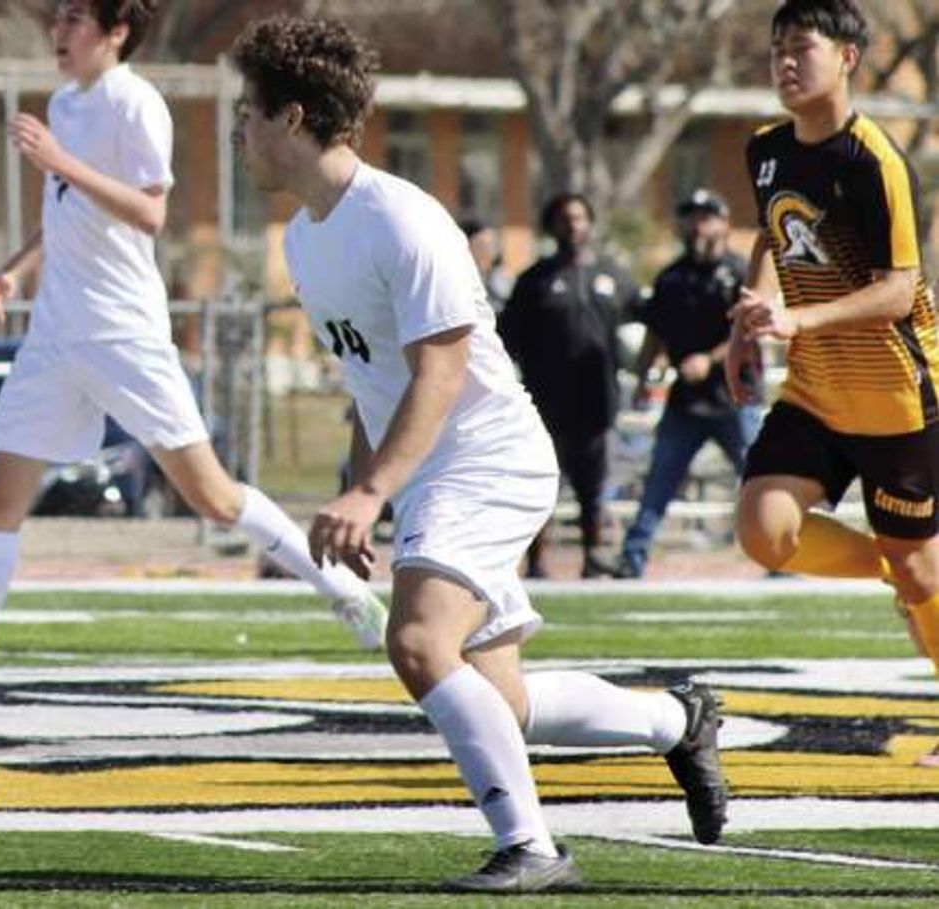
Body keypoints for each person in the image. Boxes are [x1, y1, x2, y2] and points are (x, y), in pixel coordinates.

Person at [231, 14, 727, 893]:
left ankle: (533, 848)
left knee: (419, 641)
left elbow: (440, 374)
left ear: (295, 117)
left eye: (249, 110)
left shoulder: (404, 221)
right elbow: (371, 383)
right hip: (429, 474)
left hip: (490, 461)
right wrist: (362, 490)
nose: (239, 128)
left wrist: (370, 490)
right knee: (502, 702)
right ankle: (676, 719)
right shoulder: (306, 238)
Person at [0, 0, 387, 718]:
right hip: (53, 334)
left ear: (117, 32)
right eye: (59, 18)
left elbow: (149, 214)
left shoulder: (136, 103)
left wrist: (59, 160)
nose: (60, 32)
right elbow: (69, 213)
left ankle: (343, 589)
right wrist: (16, 268)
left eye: (76, 19)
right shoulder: (62, 102)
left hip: (123, 331)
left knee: (212, 496)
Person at [728, 0, 939, 703]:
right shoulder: (765, 149)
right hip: (818, 392)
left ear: (847, 58)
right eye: (776, 49)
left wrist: (797, 319)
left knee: (924, 578)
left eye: (802, 48)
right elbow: (771, 235)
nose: (785, 62)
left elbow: (898, 291)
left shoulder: (873, 160)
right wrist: (748, 320)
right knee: (763, 529)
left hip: (896, 395)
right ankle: (889, 562)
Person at [613, 189, 762, 579]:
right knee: (660, 481)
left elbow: (749, 331)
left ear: (724, 223)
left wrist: (708, 359)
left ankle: (782, 558)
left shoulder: (741, 272)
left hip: (736, 397)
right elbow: (655, 334)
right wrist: (647, 375)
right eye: (692, 216)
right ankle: (633, 558)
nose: (699, 224)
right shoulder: (671, 277)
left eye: (707, 216)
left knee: (760, 481)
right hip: (686, 401)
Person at [498, 194, 642, 578]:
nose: (573, 226)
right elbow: (508, 338)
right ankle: (537, 563)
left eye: (580, 218)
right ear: (552, 226)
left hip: (598, 402)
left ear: (590, 224)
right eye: (565, 219)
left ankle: (594, 559)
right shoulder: (534, 280)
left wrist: (646, 365)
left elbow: (647, 324)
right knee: (540, 488)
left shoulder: (614, 277)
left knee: (594, 489)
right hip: (546, 403)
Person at [459, 218, 512, 314]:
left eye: (492, 245)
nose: (489, 251)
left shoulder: (502, 277)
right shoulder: (461, 281)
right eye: (482, 245)